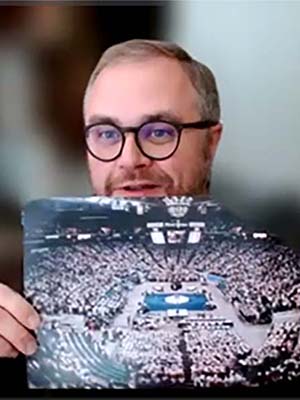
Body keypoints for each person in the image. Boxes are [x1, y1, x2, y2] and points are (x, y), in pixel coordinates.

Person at [0, 39, 222, 363]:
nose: (130, 160)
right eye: (106, 134)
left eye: (159, 132)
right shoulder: (26, 297)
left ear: (210, 142)